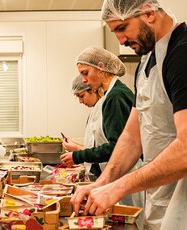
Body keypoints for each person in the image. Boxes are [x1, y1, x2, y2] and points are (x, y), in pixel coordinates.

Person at [71, 1, 187, 229]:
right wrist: (103, 182)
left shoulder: (182, 54)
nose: (121, 41)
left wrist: (118, 187)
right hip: (161, 197)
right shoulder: (146, 62)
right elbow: (133, 137)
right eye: (115, 32)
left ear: (149, 12)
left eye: (122, 28)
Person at [61, 48, 144, 221]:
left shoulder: (116, 96)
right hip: (119, 176)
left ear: (101, 68)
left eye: (85, 73)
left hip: (126, 175)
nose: (83, 79)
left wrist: (78, 155)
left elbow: (117, 146)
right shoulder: (110, 96)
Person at [61, 75, 101, 180]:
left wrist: (77, 154)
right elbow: (94, 147)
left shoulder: (104, 109)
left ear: (93, 89)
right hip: (98, 172)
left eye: (81, 96)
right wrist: (75, 147)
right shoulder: (95, 110)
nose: (80, 101)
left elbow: (107, 150)